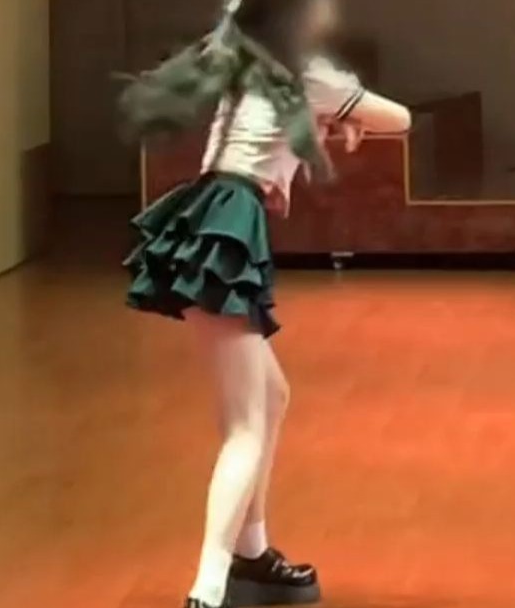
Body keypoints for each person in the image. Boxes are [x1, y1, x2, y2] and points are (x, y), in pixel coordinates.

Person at [119, 1, 411, 607]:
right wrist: (339, 110)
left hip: (210, 213)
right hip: (227, 223)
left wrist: (325, 118)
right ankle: (208, 589)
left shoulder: (247, 61)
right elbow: (400, 119)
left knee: (271, 398)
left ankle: (251, 554)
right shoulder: (308, 74)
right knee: (245, 427)